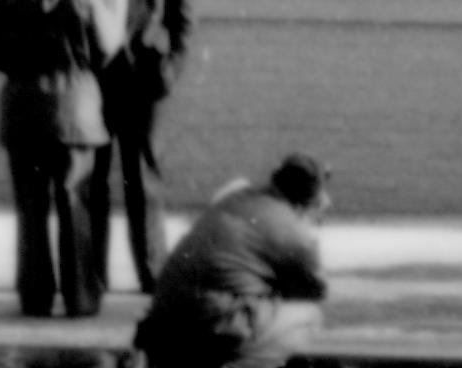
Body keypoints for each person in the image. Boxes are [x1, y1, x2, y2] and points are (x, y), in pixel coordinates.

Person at [75, 0, 194, 298]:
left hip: (142, 81)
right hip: (93, 83)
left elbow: (183, 20)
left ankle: (152, 274)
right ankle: (93, 275)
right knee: (92, 179)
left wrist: (169, 72)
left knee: (141, 178)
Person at [0, 0, 107, 320]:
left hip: (22, 105)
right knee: (75, 202)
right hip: (76, 106)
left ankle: (35, 296)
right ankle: (81, 297)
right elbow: (106, 46)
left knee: (31, 205)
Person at [133, 155, 332, 368]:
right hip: (211, 328)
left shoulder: (234, 197)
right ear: (312, 200)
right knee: (309, 314)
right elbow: (315, 291)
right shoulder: (294, 230)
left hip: (161, 326)